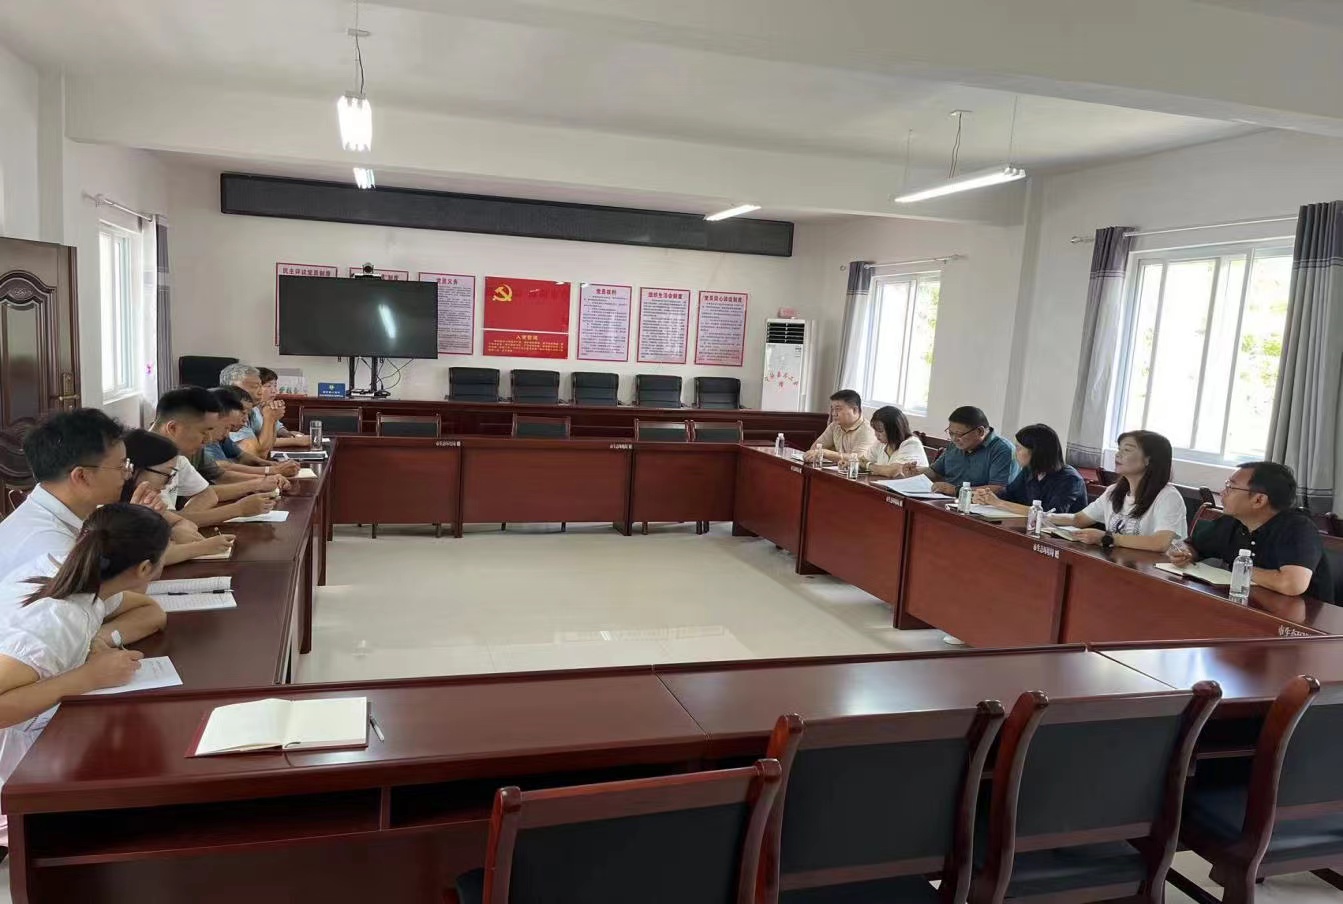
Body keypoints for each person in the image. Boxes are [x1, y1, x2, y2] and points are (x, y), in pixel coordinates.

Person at [0, 504, 169, 852]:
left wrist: (97, 641)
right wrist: (87, 677)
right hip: (14, 770)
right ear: (144, 568)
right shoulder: (58, 619)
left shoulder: (73, 575)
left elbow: (151, 612)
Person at [0, 409, 161, 583]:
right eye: (121, 467)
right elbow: (112, 593)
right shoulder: (52, 548)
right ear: (82, 476)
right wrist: (145, 530)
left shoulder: (67, 512)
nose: (127, 475)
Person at [1169, 462, 1334, 602]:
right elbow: (1193, 545)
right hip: (1245, 606)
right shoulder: (1233, 521)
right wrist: (1184, 552)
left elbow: (1291, 584)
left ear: (1259, 500)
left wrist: (1239, 569)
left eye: (1230, 487)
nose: (1222, 492)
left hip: (1301, 621)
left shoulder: (1297, 527)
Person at [151, 387, 280, 527]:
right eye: (203, 432)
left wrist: (182, 521)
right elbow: (162, 523)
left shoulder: (178, 458)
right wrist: (238, 509)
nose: (208, 439)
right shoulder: (144, 462)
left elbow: (208, 494)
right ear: (173, 428)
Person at [1051, 430, 1186, 551]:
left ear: (1148, 460)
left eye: (1127, 450)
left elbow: (1160, 543)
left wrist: (1108, 538)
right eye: (1119, 449)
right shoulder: (1113, 491)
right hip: (1116, 562)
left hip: (1151, 568)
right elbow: (1079, 519)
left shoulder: (1168, 496)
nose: (1118, 454)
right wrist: (1044, 516)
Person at [122, 430, 236, 564]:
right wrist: (202, 547)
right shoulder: (113, 509)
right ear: (132, 469)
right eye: (166, 475)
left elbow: (183, 521)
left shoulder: (145, 501)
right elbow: (146, 556)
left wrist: (176, 530)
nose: (169, 483)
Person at [897, 406, 1019, 495]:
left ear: (980, 431)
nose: (954, 439)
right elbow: (936, 472)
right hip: (946, 502)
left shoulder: (1002, 450)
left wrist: (956, 490)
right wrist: (917, 473)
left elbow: (999, 489)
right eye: (951, 433)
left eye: (959, 434)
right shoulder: (955, 445)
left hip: (981, 510)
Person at [973, 424, 1088, 515]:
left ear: (1036, 452)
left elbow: (1050, 515)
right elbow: (1009, 495)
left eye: (1018, 448)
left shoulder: (1070, 479)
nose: (1015, 453)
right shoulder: (1029, 470)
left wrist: (999, 503)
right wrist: (986, 497)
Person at [204, 388, 299, 480]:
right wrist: (271, 471)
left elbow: (242, 456)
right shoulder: (209, 437)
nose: (245, 419)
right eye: (243, 413)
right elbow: (221, 471)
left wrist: (272, 465)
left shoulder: (221, 433)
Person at [221, 363, 284, 457]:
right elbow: (257, 455)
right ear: (234, 387)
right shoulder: (231, 412)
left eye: (261, 386)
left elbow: (268, 450)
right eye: (255, 387)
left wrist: (273, 419)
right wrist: (270, 419)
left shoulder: (252, 411)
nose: (260, 392)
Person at [806, 390, 878, 463]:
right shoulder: (835, 425)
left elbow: (858, 459)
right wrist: (821, 452)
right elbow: (814, 449)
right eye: (832, 409)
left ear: (854, 410)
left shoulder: (867, 431)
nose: (834, 414)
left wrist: (826, 453)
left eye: (838, 409)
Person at [256, 367, 311, 449]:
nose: (274, 391)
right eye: (268, 386)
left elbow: (278, 427)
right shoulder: (248, 410)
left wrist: (288, 434)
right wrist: (296, 441)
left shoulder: (269, 406)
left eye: (275, 386)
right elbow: (259, 442)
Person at [866, 406, 928, 477]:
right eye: (875, 430)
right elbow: (863, 460)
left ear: (894, 430)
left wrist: (868, 466)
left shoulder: (911, 444)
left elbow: (895, 471)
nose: (876, 434)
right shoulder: (881, 443)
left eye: (880, 431)